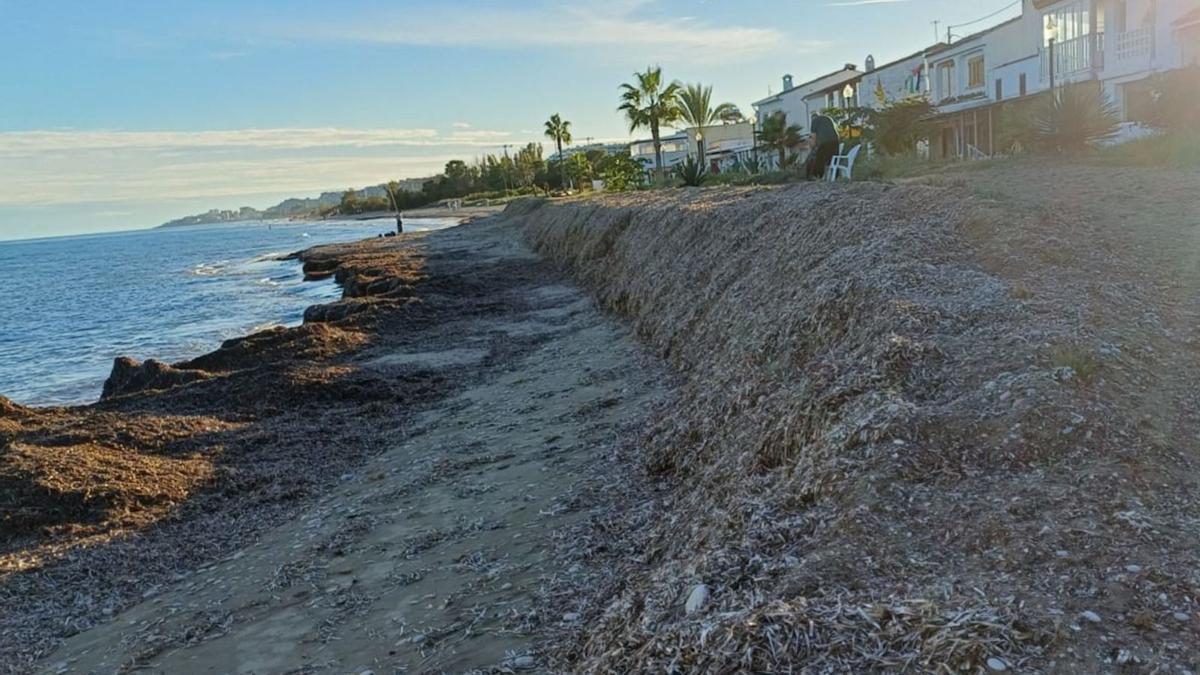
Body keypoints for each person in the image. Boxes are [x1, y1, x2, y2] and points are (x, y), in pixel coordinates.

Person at [805, 112, 841, 180]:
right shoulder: (828, 118)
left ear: (812, 117)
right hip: (836, 141)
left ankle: (816, 176)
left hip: (825, 142)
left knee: (819, 159)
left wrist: (812, 146)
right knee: (833, 160)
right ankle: (836, 177)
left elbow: (813, 137)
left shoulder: (814, 120)